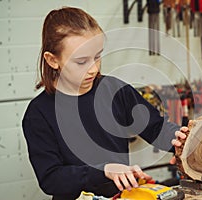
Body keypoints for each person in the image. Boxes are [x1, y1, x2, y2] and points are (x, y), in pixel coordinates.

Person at [22, 6, 187, 200]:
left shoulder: (116, 91)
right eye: (81, 61)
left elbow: (156, 128)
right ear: (52, 60)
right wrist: (103, 171)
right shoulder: (39, 113)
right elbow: (51, 178)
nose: (93, 69)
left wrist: (181, 142)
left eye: (97, 56)